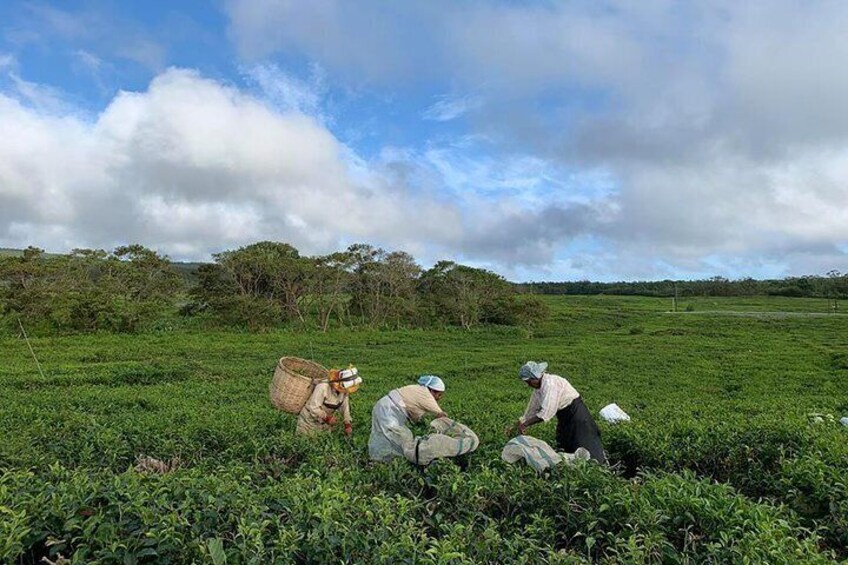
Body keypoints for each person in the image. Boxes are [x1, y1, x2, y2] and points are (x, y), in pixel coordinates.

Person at [507, 361, 606, 464]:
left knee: (583, 441)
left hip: (576, 413)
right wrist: (519, 424)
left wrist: (525, 424)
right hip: (564, 415)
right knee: (564, 440)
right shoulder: (538, 389)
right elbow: (532, 409)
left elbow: (547, 412)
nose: (528, 385)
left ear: (535, 377)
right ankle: (569, 466)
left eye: (529, 382)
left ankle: (598, 465)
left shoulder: (550, 385)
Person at [368, 375, 449, 462]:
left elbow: (415, 416)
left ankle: (381, 459)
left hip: (384, 406)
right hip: (389, 410)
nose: (439, 398)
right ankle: (390, 461)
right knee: (402, 437)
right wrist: (447, 430)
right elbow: (441, 414)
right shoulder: (426, 394)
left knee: (384, 435)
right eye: (439, 395)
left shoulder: (418, 390)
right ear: (432, 391)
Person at [296, 366, 362, 436]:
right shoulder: (322, 387)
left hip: (324, 423)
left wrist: (347, 423)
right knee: (306, 440)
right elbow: (313, 408)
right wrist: (326, 417)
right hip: (309, 421)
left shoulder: (344, 391)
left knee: (323, 441)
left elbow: (345, 407)